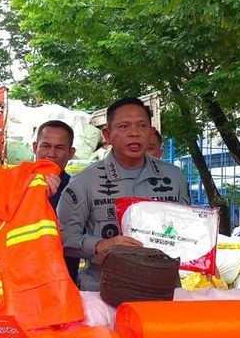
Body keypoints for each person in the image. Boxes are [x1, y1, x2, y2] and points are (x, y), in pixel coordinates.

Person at [57, 97, 190, 291]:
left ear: (151, 132)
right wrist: (100, 245)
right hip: (103, 294)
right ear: (108, 135)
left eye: (142, 126)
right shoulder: (85, 182)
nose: (134, 133)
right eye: (124, 126)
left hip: (162, 292)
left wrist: (203, 252)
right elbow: (62, 237)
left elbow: (187, 230)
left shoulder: (174, 177)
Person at [32, 120, 80, 283]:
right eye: (45, 146)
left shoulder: (79, 191)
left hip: (63, 283)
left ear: (71, 152)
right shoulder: (11, 185)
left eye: (59, 148)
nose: (51, 153)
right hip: (19, 282)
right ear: (34, 147)